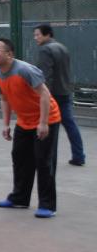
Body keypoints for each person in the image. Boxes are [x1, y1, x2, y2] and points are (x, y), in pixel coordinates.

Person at [0, 38, 62, 217]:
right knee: (20, 158)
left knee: (43, 161)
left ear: (9, 54)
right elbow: (4, 98)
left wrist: (43, 123)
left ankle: (47, 206)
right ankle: (19, 198)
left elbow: (45, 94)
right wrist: (6, 124)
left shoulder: (24, 70)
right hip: (24, 121)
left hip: (47, 119)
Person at [33, 25, 85, 167]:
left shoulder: (45, 50)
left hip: (52, 94)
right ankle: (79, 156)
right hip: (65, 91)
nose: (35, 38)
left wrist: (43, 96)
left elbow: (45, 75)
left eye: (38, 35)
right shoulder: (62, 47)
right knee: (70, 124)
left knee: (49, 125)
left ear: (47, 34)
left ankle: (47, 158)